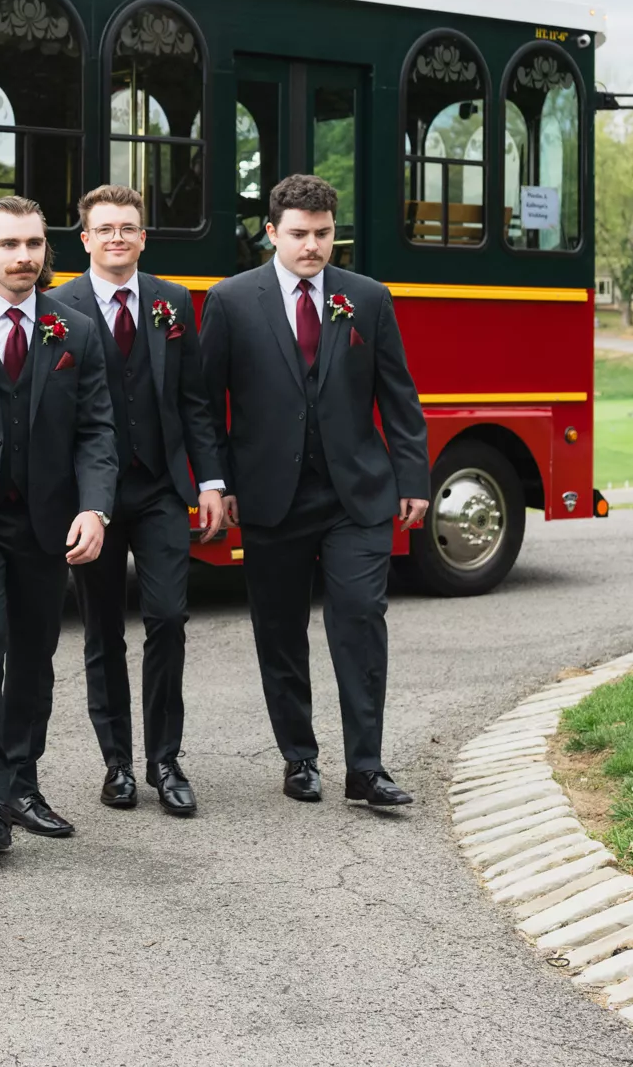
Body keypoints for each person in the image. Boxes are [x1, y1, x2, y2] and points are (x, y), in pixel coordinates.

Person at [199, 174, 429, 808]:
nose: (313, 247)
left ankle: (366, 768)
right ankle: (299, 757)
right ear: (272, 232)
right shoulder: (231, 301)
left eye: (324, 234)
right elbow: (203, 402)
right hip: (271, 497)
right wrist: (216, 481)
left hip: (357, 495)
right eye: (299, 235)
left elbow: (398, 395)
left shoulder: (368, 298)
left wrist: (413, 477)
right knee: (279, 631)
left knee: (359, 619)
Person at [0, 196, 116, 854]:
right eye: (10, 244)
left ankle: (21, 780)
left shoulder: (74, 329)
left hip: (47, 522)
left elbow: (99, 429)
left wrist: (93, 506)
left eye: (34, 244)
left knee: (35, 659)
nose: (24, 257)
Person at [50, 185, 229, 816]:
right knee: (101, 630)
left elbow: (196, 403)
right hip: (88, 501)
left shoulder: (172, 302)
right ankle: (117, 765)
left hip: (158, 489)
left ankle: (165, 760)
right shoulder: (56, 307)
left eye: (128, 228)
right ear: (86, 239)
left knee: (168, 620)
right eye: (105, 229)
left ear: (143, 238)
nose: (117, 238)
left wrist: (211, 482)